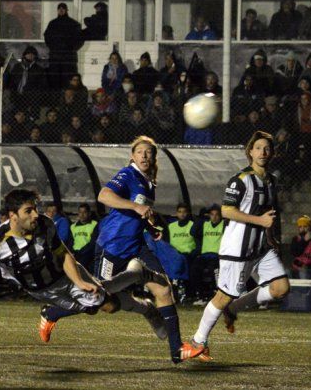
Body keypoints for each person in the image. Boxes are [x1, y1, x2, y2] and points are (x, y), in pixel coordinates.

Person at [0, 189, 189, 361]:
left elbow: (64, 255)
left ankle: (145, 302)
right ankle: (135, 274)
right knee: (102, 306)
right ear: (12, 216)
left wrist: (79, 281)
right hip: (40, 290)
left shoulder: (45, 225)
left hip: (66, 275)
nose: (35, 214)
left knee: (102, 301)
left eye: (35, 209)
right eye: (28, 211)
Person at [42, 136, 202, 362]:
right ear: (132, 156)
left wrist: (149, 224)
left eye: (149, 152)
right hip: (113, 245)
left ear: (154, 157)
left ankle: (177, 349)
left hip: (136, 245)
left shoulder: (148, 182)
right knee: (100, 301)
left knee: (164, 289)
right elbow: (104, 195)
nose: (145, 156)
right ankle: (52, 312)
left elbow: (137, 213)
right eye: (140, 152)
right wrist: (136, 206)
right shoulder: (128, 174)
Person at [187, 130, 290, 361]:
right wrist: (260, 222)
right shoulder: (241, 180)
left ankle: (233, 309)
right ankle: (198, 340)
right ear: (250, 152)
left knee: (281, 288)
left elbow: (270, 213)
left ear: (272, 152)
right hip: (237, 250)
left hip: (260, 248)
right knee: (223, 295)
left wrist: (271, 234)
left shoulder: (272, 180)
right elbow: (227, 211)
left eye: (267, 148)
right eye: (258, 148)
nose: (263, 152)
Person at [44, 3, 84, 89]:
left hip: (68, 59)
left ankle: (68, 101)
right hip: (56, 58)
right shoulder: (52, 24)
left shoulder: (73, 24)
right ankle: (55, 101)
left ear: (66, 10)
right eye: (59, 9)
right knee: (55, 81)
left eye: (63, 9)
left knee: (68, 80)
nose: (61, 10)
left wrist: (71, 49)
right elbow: (47, 37)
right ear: (57, 10)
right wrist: (53, 48)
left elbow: (80, 39)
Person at [189, 204, 224, 304]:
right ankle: (201, 296)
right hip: (205, 256)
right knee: (194, 270)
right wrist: (200, 218)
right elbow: (193, 232)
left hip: (217, 256)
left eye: (217, 214)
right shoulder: (205, 224)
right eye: (212, 214)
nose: (214, 217)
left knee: (215, 271)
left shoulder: (223, 225)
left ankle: (219, 295)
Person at [166, 203, 195, 303]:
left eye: (184, 212)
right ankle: (174, 292)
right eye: (180, 212)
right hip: (174, 256)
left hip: (188, 255)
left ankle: (186, 294)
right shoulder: (171, 226)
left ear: (188, 213)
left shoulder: (192, 225)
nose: (182, 214)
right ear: (176, 213)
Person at [70, 203, 98, 273]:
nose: (82, 215)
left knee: (80, 267)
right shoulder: (73, 226)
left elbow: (93, 243)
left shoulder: (94, 224)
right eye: (80, 212)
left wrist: (80, 252)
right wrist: (71, 252)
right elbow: (70, 241)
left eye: (84, 212)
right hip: (75, 252)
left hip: (87, 252)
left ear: (89, 213)